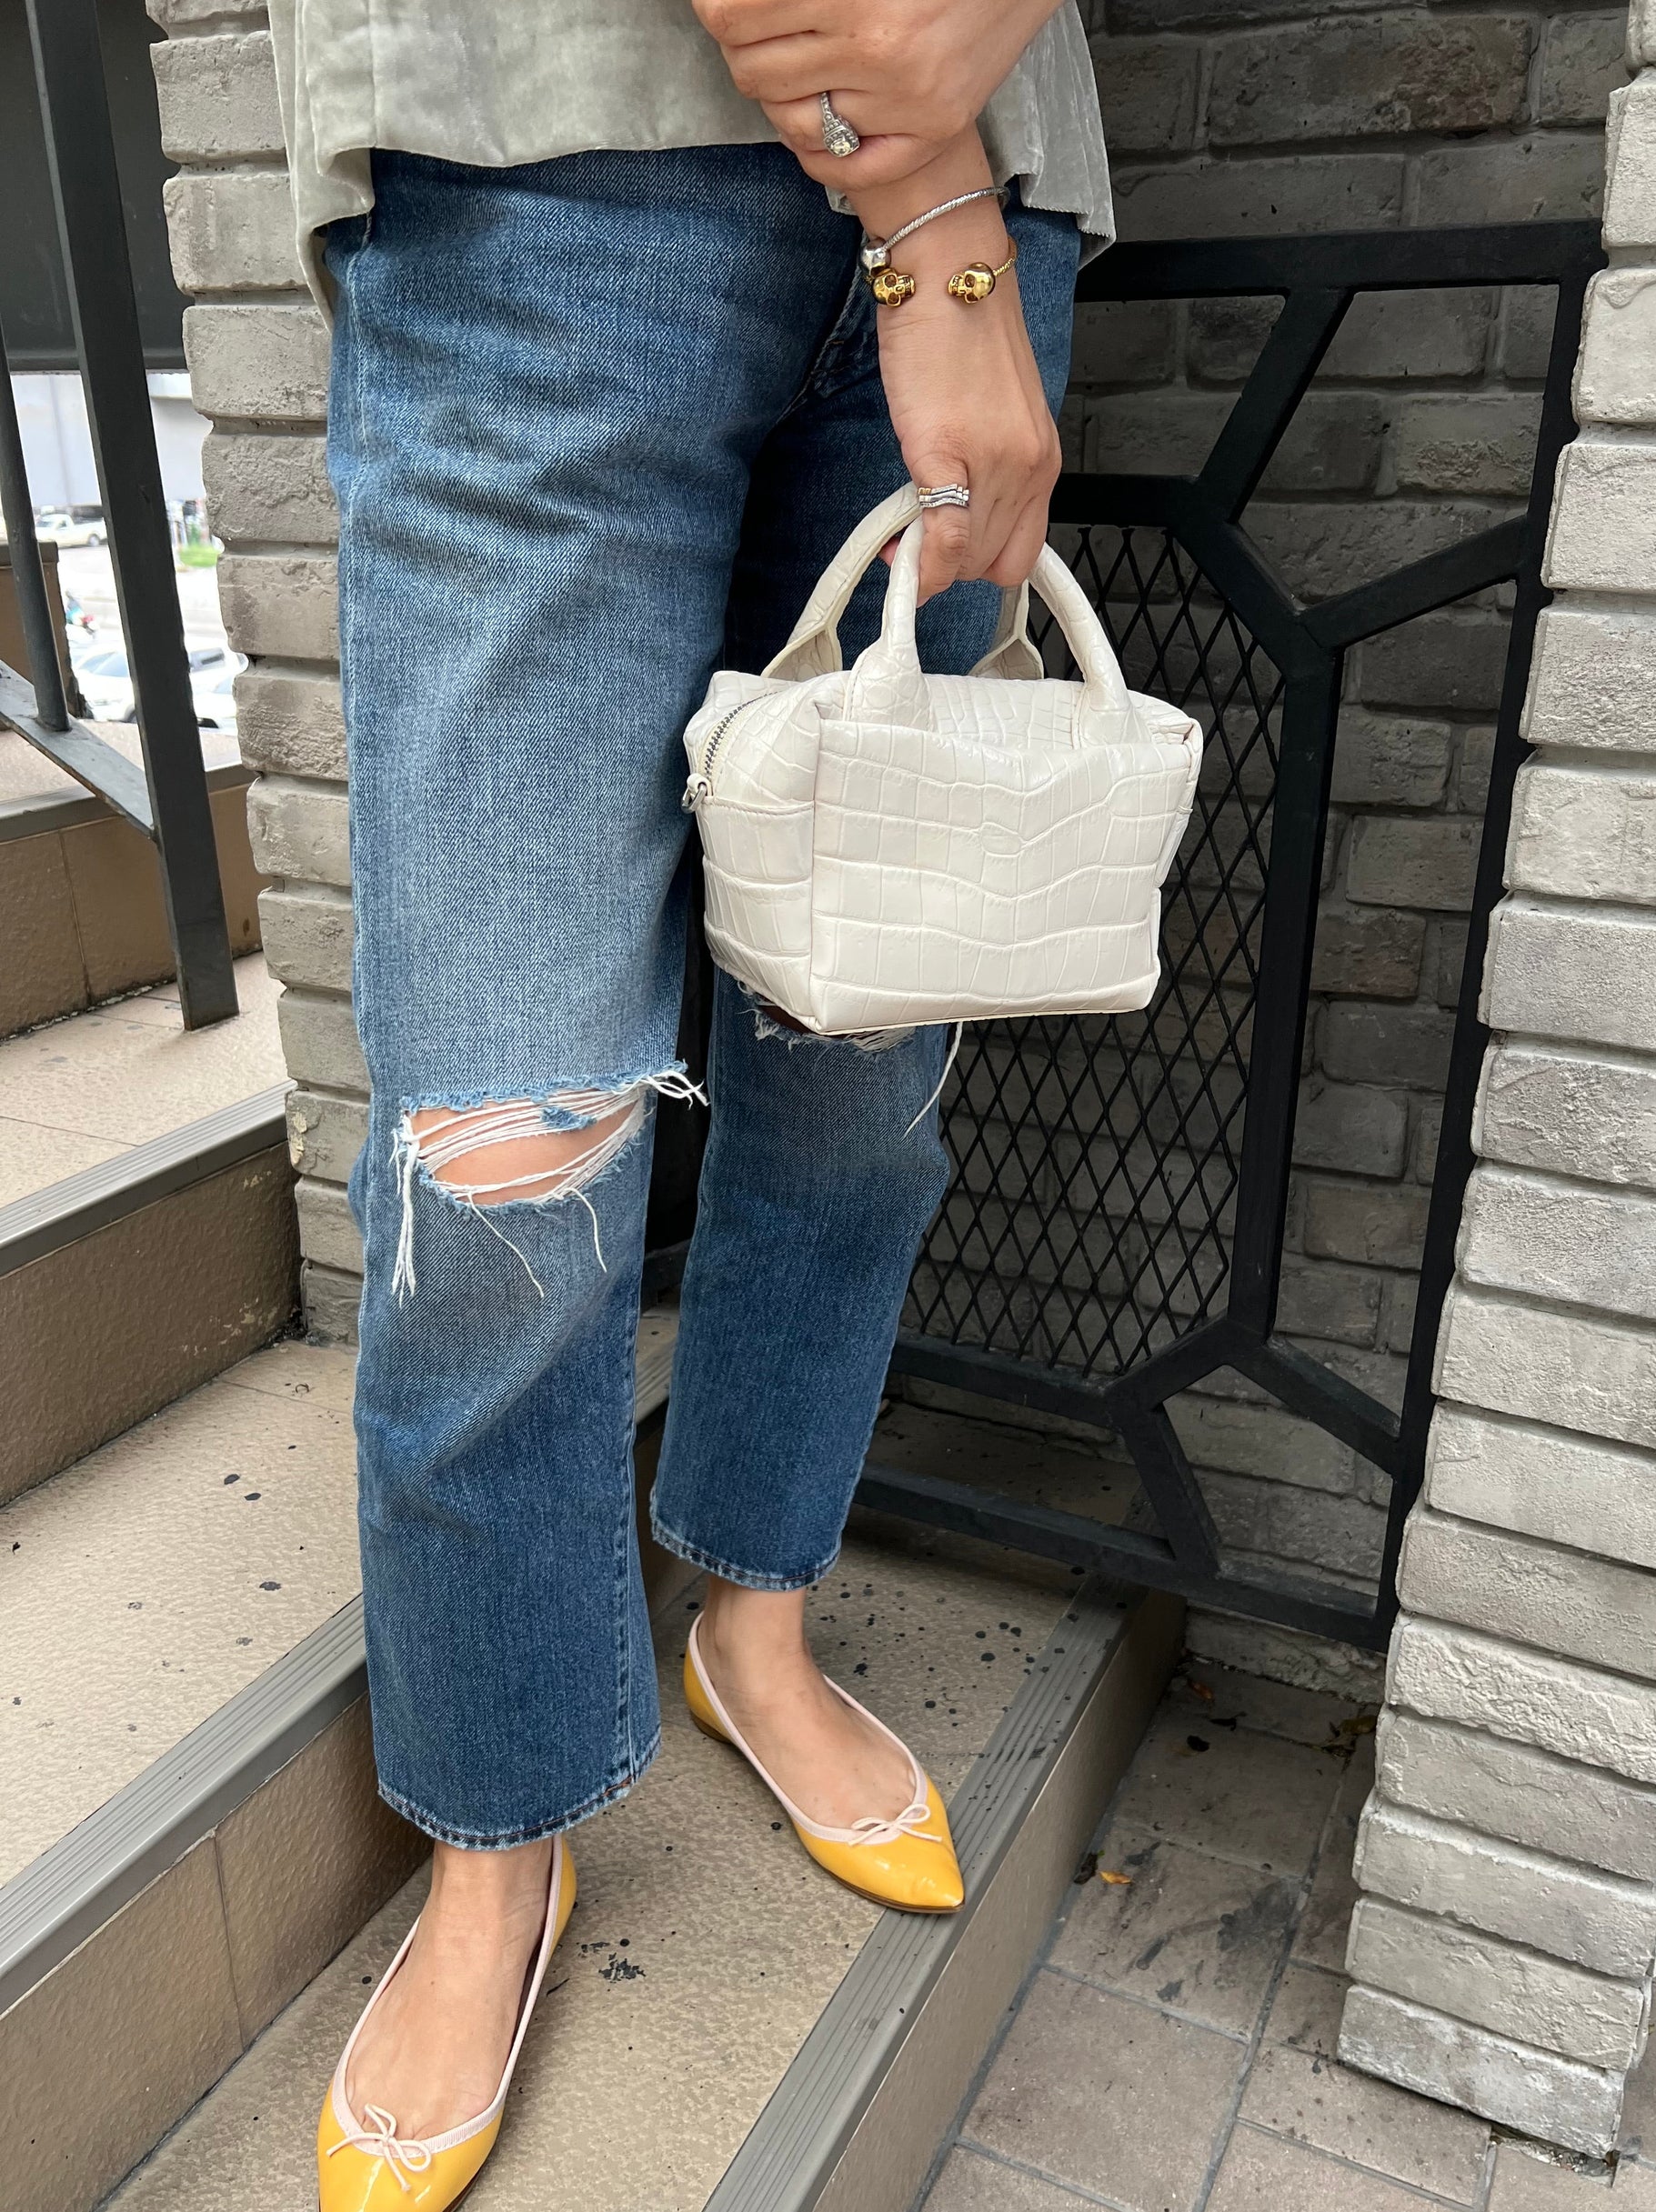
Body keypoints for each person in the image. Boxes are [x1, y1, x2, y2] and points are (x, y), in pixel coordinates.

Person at [264, 3, 1111, 2203]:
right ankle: (502, 1825)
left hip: (993, 205)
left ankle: (753, 1617)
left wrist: (955, 187)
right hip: (531, 175)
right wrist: (921, 195)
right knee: (504, 1145)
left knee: (858, 1063)